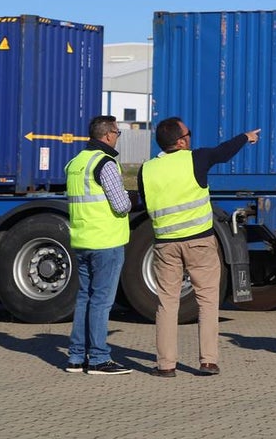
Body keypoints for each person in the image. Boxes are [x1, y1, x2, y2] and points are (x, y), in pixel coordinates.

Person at [138, 117, 260, 378]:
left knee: (167, 304)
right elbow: (223, 153)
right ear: (181, 141)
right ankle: (208, 362)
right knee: (207, 301)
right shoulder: (195, 158)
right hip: (199, 242)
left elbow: (145, 202)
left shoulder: (146, 169)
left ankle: (166, 365)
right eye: (188, 133)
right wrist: (245, 137)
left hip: (164, 245)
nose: (191, 137)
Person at [64, 115, 132, 375]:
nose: (117, 137)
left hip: (82, 240)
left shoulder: (75, 162)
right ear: (107, 135)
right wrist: (130, 199)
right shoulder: (105, 163)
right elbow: (120, 204)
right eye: (117, 132)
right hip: (106, 241)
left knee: (85, 298)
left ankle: (76, 357)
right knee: (102, 301)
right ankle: (99, 359)